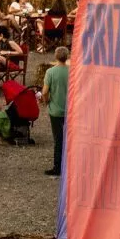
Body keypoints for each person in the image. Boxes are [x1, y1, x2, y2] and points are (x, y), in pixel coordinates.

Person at [41, 46, 69, 176]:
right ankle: (69, 165)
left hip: (55, 110)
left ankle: (57, 167)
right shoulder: (72, 71)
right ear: (67, 57)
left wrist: (45, 100)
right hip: (70, 110)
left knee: (58, 139)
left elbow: (45, 91)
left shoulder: (50, 72)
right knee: (69, 138)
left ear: (56, 56)